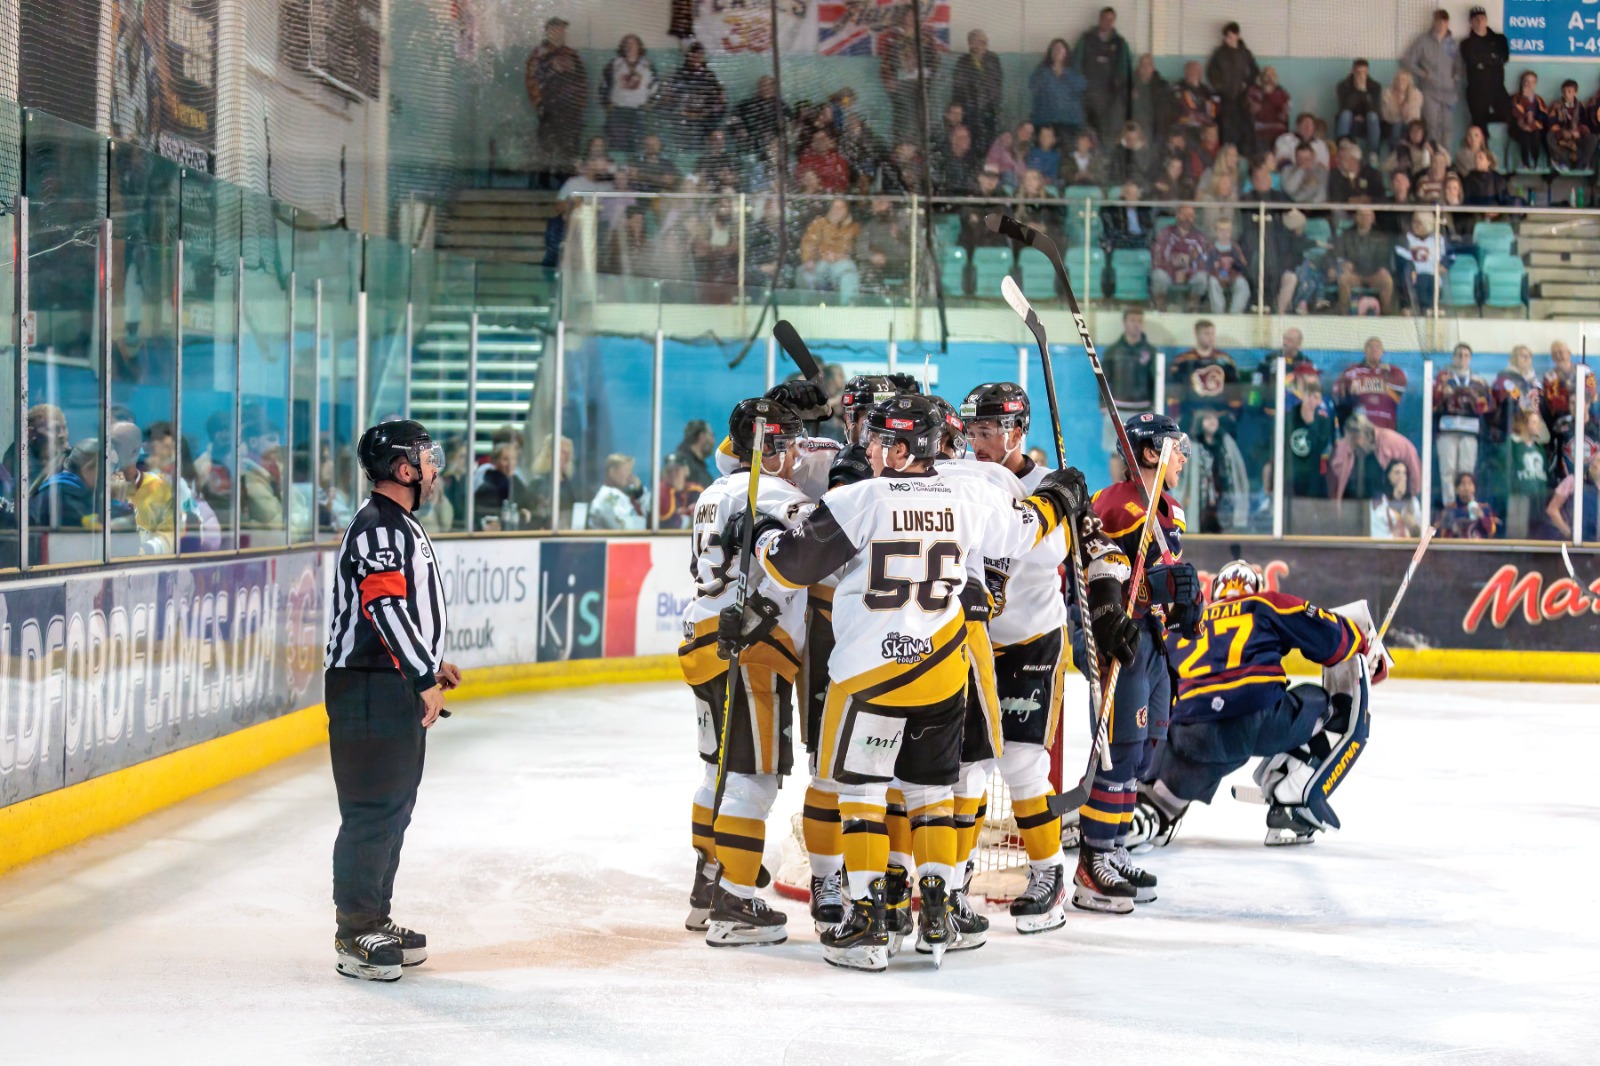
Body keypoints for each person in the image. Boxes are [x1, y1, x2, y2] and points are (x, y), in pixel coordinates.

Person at [747, 395, 1087, 969]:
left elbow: (790, 565)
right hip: (942, 676)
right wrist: (1060, 496)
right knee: (932, 794)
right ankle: (937, 915)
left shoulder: (859, 499)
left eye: (879, 440)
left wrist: (762, 532)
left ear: (903, 449)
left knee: (862, 795)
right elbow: (1027, 531)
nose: (870, 449)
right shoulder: (969, 497)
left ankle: (871, 923)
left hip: (870, 677)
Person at [324, 420, 459, 982]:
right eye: (426, 458)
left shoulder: (398, 523)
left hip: (389, 682)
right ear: (403, 470)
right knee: (372, 810)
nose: (434, 468)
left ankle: (374, 915)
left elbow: (397, 611)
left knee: (395, 808)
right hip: (369, 686)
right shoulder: (380, 526)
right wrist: (421, 670)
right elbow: (383, 608)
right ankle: (355, 929)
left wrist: (431, 662)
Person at [677, 399, 814, 948]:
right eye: (791, 443)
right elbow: (808, 558)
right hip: (749, 650)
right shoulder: (776, 496)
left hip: (702, 640)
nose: (799, 453)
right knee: (751, 780)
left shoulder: (715, 492)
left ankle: (706, 886)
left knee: (717, 770)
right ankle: (735, 902)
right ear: (773, 449)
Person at [1134, 561, 1375, 849]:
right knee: (1326, 704)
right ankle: (1293, 798)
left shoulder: (1182, 623)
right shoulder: (1263, 602)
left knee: (1166, 786)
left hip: (1194, 733)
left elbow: (1158, 694)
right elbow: (1328, 635)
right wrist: (1362, 646)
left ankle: (1150, 810)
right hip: (1259, 718)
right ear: (1256, 587)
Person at [958, 383, 1082, 934]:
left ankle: (1048, 875)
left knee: (1023, 765)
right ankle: (954, 873)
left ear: (1016, 432)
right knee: (966, 767)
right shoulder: (965, 477)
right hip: (977, 640)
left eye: (987, 432)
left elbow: (1059, 550)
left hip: (1032, 639)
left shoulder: (1044, 486)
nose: (976, 442)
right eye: (972, 431)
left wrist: (1048, 502)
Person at [1079, 413, 1200, 910]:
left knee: (1146, 748)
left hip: (1153, 640)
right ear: (1149, 453)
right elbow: (1090, 570)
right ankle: (1093, 860)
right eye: (1175, 448)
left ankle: (1117, 843)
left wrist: (1185, 602)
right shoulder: (1114, 503)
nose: (1182, 458)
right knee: (1120, 748)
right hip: (1121, 642)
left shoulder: (1169, 510)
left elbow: (1159, 582)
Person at [526, 17, 588, 180]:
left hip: (570, 108)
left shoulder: (571, 54)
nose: (559, 33)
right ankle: (543, 180)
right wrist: (539, 102)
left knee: (569, 144)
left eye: (562, 30)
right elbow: (531, 78)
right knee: (547, 143)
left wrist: (579, 104)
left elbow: (582, 80)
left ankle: (566, 180)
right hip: (549, 106)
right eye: (555, 29)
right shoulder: (539, 54)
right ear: (547, 32)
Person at [1101, 309, 1158, 478]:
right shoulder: (1113, 351)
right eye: (1133, 320)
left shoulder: (1151, 352)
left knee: (1141, 454)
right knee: (1115, 451)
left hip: (1143, 410)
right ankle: (1117, 489)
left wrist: (1154, 406)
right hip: (1117, 408)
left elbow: (1155, 381)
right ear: (1125, 322)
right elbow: (1103, 379)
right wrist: (1103, 404)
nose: (1136, 324)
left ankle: (1135, 493)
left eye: (1140, 321)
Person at [1433, 343, 1494, 496]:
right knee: (1448, 469)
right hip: (1447, 429)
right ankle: (1450, 504)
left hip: (1469, 429)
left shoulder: (1479, 382)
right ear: (1453, 358)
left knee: (1467, 470)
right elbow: (1432, 403)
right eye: (1459, 355)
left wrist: (1474, 398)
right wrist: (1443, 395)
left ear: (1470, 359)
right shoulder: (1442, 379)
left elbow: (1487, 407)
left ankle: (1467, 505)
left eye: (1466, 355)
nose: (1462, 358)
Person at [1402, 9, 1465, 147]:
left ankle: (1446, 161)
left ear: (1447, 23)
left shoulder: (1453, 44)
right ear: (1433, 21)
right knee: (1432, 126)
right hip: (1430, 91)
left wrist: (1455, 78)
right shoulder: (1423, 41)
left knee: (1447, 127)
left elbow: (1459, 66)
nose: (1441, 24)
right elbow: (1407, 60)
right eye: (1438, 20)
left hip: (1449, 93)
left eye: (1444, 21)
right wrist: (1423, 73)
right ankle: (1433, 160)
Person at [1328, 411, 1422, 502]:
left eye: (1356, 439)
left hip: (1389, 502)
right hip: (1353, 503)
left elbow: (1413, 461)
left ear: (1367, 433)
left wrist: (1413, 495)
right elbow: (1334, 475)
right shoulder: (1345, 446)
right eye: (1350, 440)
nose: (1353, 444)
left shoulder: (1391, 441)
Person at [881, 4, 940, 145]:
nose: (909, 19)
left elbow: (935, 62)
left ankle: (922, 153)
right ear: (901, 18)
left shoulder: (926, 38)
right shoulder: (893, 39)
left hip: (923, 86)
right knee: (904, 121)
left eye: (913, 16)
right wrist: (890, 81)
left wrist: (929, 75)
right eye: (907, 16)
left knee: (923, 119)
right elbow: (886, 65)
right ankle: (903, 153)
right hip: (902, 88)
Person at [1167, 318, 1241, 430]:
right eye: (1206, 334)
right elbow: (1175, 392)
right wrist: (1176, 416)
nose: (1210, 337)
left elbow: (1235, 390)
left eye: (1212, 333)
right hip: (1192, 416)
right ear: (1197, 335)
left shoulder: (1225, 360)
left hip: (1220, 416)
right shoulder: (1183, 361)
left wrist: (1233, 415)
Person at [1077, 7, 1133, 148]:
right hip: (1088, 95)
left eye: (1111, 20)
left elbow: (1125, 69)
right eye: (1105, 19)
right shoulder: (1086, 39)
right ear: (1099, 19)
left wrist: (1122, 88)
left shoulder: (1120, 43)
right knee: (1087, 131)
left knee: (1108, 132)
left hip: (1110, 98)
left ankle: (1105, 161)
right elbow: (1076, 64)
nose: (1107, 23)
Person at [1332, 337, 1408, 433]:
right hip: (1360, 428)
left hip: (1386, 428)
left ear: (1382, 352)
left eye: (1377, 347)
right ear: (1365, 351)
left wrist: (1389, 368)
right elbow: (1338, 394)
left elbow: (1402, 383)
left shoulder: (1392, 373)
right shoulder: (1352, 371)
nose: (1374, 350)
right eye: (1370, 347)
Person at [660, 42, 726, 150]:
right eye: (694, 55)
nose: (697, 58)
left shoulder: (709, 76)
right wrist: (684, 112)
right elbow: (669, 98)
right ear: (688, 56)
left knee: (720, 109)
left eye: (700, 55)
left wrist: (709, 110)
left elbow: (718, 97)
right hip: (683, 115)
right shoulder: (679, 74)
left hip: (704, 116)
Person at [1332, 207, 1397, 315]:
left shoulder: (1380, 236)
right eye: (1361, 215)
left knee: (1387, 280)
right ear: (1356, 217)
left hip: (1374, 273)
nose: (1365, 219)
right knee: (1343, 279)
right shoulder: (1346, 234)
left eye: (1368, 216)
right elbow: (1337, 254)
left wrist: (1382, 269)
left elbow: (1384, 258)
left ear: (1373, 218)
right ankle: (1344, 314)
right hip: (1354, 274)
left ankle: (1387, 315)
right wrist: (1343, 263)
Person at [600, 34, 657, 154]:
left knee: (638, 144)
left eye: (633, 43)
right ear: (623, 47)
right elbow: (603, 84)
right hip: (618, 111)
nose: (630, 46)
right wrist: (607, 104)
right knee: (616, 144)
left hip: (639, 111)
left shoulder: (648, 65)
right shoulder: (614, 64)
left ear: (639, 46)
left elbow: (655, 86)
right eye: (627, 44)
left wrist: (650, 104)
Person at [1207, 23, 1259, 153]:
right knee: (1228, 129)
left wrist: (1246, 85)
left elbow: (1254, 71)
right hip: (1226, 98)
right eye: (1226, 37)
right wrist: (1221, 87)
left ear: (1237, 36)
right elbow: (1211, 72)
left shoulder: (1245, 54)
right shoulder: (1219, 54)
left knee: (1246, 128)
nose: (1228, 39)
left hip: (1243, 98)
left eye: (1230, 36)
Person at [950, 28, 1003, 155]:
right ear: (971, 44)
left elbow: (997, 84)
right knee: (971, 146)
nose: (983, 44)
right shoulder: (963, 62)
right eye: (979, 41)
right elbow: (958, 89)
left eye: (985, 41)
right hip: (970, 111)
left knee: (990, 145)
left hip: (990, 111)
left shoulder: (993, 59)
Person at [1150, 204, 1212, 312]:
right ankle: (1162, 311)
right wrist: (1175, 268)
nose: (1188, 218)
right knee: (1158, 276)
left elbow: (1204, 259)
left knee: (1201, 278)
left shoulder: (1199, 237)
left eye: (1191, 215)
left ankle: (1192, 310)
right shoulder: (1166, 232)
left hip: (1191, 273)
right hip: (1168, 271)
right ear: (1178, 216)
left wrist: (1187, 270)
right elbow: (1157, 255)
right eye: (1184, 215)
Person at [798, 198, 861, 304]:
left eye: (841, 207)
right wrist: (809, 259)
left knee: (849, 275)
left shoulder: (854, 228)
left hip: (842, 264)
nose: (838, 210)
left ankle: (848, 309)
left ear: (847, 210)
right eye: (835, 207)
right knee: (804, 274)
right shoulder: (818, 224)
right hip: (820, 262)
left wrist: (842, 255)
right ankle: (807, 309)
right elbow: (808, 242)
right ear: (830, 209)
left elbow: (858, 249)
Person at [1461, 6, 1511, 133]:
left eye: (1482, 18)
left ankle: (1482, 119)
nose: (1479, 21)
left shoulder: (1499, 39)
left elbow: (1503, 58)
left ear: (1487, 20)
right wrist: (1493, 58)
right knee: (1479, 128)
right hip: (1477, 90)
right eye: (1476, 19)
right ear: (1471, 22)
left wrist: (1484, 60)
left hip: (1497, 87)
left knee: (1509, 115)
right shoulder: (1466, 44)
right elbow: (1475, 62)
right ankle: (1482, 150)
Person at [30, 438, 99, 529]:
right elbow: (87, 528)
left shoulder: (75, 491)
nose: (110, 476)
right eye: (107, 469)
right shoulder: (64, 494)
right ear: (86, 470)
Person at [1285, 377, 1335, 502]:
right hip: (1290, 475)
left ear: (1320, 401)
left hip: (1311, 477)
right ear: (1302, 396)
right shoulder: (1289, 418)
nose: (1311, 400)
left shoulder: (1324, 422)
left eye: (1315, 397)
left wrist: (1311, 423)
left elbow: (1318, 448)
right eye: (1309, 395)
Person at [1030, 38, 1087, 143]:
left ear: (1066, 52)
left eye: (1061, 49)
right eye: (1054, 49)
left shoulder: (1074, 70)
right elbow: (1034, 87)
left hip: (1069, 122)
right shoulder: (1042, 70)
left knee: (1066, 154)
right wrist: (1050, 72)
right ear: (1050, 53)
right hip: (1045, 121)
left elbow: (1081, 87)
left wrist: (1064, 72)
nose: (1058, 52)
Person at [1545, 444, 1600, 541]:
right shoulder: (1573, 481)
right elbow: (1552, 509)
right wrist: (1567, 531)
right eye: (1594, 460)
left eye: (1599, 461)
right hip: (1573, 544)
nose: (1594, 464)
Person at [1397, 210, 1448, 311]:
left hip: (1433, 277)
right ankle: (1417, 308)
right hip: (1414, 278)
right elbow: (1401, 256)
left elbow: (1450, 255)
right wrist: (1410, 268)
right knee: (1418, 281)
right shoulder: (1406, 239)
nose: (1415, 225)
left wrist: (1444, 265)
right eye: (1413, 222)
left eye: (1419, 223)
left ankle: (1430, 309)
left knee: (1431, 281)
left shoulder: (1438, 239)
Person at [1546, 79, 1597, 172]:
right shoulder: (1556, 105)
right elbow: (1552, 123)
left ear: (1575, 92)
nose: (1566, 94)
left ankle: (1581, 163)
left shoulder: (1581, 106)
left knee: (1593, 138)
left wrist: (1578, 131)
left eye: (1569, 91)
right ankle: (1564, 162)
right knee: (1549, 136)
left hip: (1577, 136)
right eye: (1564, 91)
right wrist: (1562, 132)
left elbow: (1585, 123)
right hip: (1562, 137)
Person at [588, 453, 647, 531]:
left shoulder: (620, 496)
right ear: (612, 472)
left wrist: (640, 494)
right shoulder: (608, 498)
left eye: (630, 471)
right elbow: (624, 529)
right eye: (626, 470)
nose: (630, 476)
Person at [1337, 59, 1384, 155]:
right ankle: (1342, 150)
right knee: (1346, 115)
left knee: (1372, 117)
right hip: (1350, 116)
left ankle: (1374, 154)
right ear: (1353, 72)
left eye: (1364, 73)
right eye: (1358, 73)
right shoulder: (1343, 86)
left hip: (1368, 117)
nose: (1362, 76)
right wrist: (1358, 92)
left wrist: (1364, 92)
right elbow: (1344, 107)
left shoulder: (1375, 87)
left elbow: (1375, 109)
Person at [1370, 459, 1424, 538]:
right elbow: (1376, 533)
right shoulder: (1379, 502)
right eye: (1397, 473)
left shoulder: (1413, 502)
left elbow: (1421, 531)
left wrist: (1412, 526)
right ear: (1388, 476)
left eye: (1404, 473)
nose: (1401, 477)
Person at [1438, 472, 1498, 539]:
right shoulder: (1450, 509)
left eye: (1470, 484)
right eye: (1463, 484)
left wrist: (1482, 517)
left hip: (1478, 547)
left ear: (1474, 488)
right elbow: (1443, 536)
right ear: (1456, 489)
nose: (1466, 488)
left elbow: (1492, 532)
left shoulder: (1484, 508)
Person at [1130, 53, 1169, 144]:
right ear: (1138, 68)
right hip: (1137, 124)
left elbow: (1165, 110)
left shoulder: (1162, 85)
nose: (1145, 68)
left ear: (1153, 67)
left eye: (1149, 64)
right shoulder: (1130, 84)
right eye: (1143, 65)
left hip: (1156, 125)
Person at [1170, 61, 1218, 137]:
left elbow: (1212, 110)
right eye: (1192, 70)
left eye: (1197, 70)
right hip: (1185, 129)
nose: (1195, 73)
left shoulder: (1206, 91)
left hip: (1204, 129)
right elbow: (1183, 110)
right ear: (1186, 72)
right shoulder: (1178, 88)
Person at [1248, 66, 1290, 149]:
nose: (1270, 78)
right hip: (1260, 132)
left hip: (1279, 132)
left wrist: (1271, 95)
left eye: (1272, 75)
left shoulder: (1282, 93)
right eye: (1267, 75)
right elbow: (1253, 110)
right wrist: (1267, 95)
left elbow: (1283, 117)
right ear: (1261, 78)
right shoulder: (1254, 91)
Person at [673, 419, 719, 491]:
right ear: (702, 437)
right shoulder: (682, 466)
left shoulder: (694, 465)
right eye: (711, 435)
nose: (714, 441)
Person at [1382, 69, 1426, 145]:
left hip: (1410, 124)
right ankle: (1396, 152)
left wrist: (1406, 114)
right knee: (1397, 125)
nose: (1400, 83)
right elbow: (1386, 116)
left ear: (1409, 82)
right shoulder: (1387, 94)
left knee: (1413, 128)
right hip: (1392, 124)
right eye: (1398, 80)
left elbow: (1415, 117)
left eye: (1404, 80)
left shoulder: (1416, 94)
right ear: (1395, 81)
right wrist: (1398, 113)